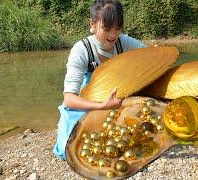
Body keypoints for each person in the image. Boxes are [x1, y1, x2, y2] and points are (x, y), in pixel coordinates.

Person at [53, 0, 145, 160]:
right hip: (85, 105)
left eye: (117, 28)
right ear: (93, 24)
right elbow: (69, 99)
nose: (113, 35)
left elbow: (150, 56)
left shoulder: (124, 42)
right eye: (107, 28)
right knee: (69, 150)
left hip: (114, 104)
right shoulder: (81, 50)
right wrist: (102, 106)